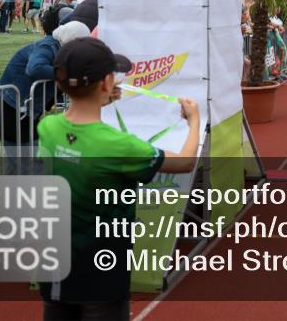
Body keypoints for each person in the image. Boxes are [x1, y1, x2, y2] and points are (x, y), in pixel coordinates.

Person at [37, 37, 199, 320]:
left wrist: (100, 98)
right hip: (101, 275)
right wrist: (195, 120)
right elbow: (185, 162)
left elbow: (77, 124)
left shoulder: (48, 127)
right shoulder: (118, 145)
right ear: (104, 83)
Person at [0, 13, 91, 169]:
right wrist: (67, 75)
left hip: (20, 112)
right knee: (33, 165)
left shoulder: (60, 50)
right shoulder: (48, 46)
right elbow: (35, 68)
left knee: (21, 165)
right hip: (8, 111)